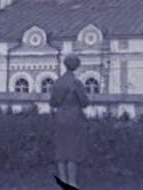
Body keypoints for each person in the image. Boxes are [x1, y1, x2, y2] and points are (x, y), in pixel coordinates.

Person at [50, 53, 89, 188]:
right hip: (74, 117)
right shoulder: (76, 83)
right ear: (76, 66)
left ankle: (62, 181)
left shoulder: (57, 82)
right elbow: (84, 102)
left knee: (61, 149)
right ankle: (72, 182)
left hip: (60, 117)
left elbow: (53, 103)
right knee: (72, 150)